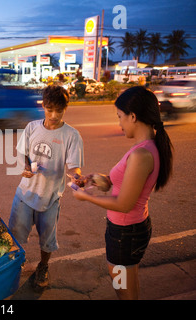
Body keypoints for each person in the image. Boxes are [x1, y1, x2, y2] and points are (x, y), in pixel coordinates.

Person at [72, 86, 173, 300]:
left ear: (133, 116)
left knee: (122, 287)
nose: (119, 124)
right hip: (130, 229)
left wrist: (86, 196)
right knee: (127, 279)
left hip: (125, 233)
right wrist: (98, 179)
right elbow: (123, 183)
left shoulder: (142, 153)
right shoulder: (145, 146)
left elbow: (124, 203)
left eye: (120, 117)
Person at [9, 85, 85, 291]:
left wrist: (77, 178)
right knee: (14, 235)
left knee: (47, 240)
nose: (54, 115)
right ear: (43, 106)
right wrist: (26, 167)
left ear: (65, 109)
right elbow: (24, 153)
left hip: (50, 197)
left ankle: (43, 266)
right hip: (24, 194)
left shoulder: (72, 135)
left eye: (59, 111)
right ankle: (15, 264)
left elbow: (74, 167)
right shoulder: (32, 127)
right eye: (49, 109)